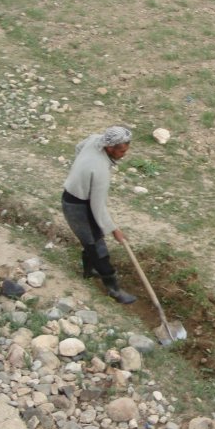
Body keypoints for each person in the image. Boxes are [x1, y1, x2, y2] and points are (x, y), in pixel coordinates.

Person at [62, 126, 136, 304]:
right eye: (122, 151)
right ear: (110, 148)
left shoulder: (96, 140)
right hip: (77, 206)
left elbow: (78, 147)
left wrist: (80, 170)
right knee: (97, 246)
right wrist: (114, 229)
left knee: (92, 238)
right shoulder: (100, 171)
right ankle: (113, 289)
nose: (125, 154)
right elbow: (98, 207)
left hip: (73, 196)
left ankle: (90, 271)